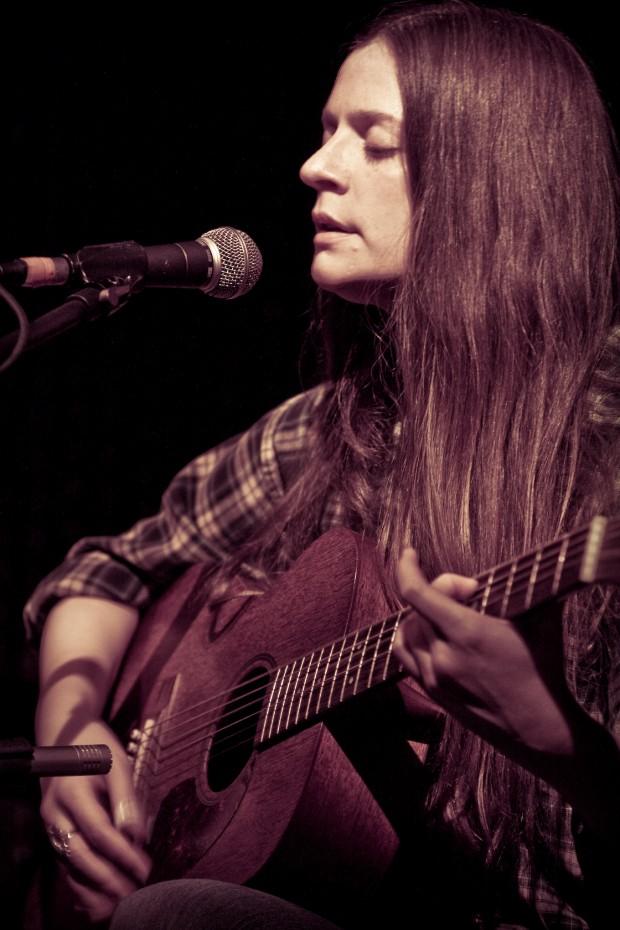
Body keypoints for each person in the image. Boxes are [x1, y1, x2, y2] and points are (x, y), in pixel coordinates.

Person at [24, 2, 620, 928]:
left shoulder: (604, 450)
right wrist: (71, 736)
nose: (314, 166)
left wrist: (556, 743)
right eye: (326, 132)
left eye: (371, 141)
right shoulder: (339, 430)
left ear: (490, 181)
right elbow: (109, 567)